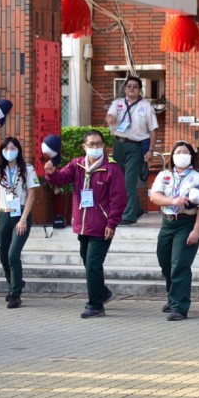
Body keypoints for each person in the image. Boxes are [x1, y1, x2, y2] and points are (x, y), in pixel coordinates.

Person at [45, 130, 127, 318]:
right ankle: (103, 292)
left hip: (102, 226)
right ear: (84, 147)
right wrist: (51, 173)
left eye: (99, 144)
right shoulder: (78, 165)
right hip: (83, 225)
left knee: (93, 263)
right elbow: (61, 179)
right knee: (87, 260)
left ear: (104, 146)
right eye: (91, 144)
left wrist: (112, 223)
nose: (96, 147)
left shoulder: (111, 168)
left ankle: (95, 305)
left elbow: (119, 199)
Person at [0, 119, 40, 309]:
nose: (9, 151)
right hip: (3, 215)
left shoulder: (27, 169)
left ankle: (15, 294)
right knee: (3, 255)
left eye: (13, 148)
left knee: (14, 254)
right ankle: (15, 283)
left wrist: (23, 219)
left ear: (19, 150)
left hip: (20, 215)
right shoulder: (0, 170)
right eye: (6, 149)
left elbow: (31, 196)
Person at [149, 141, 199, 321]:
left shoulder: (198, 178)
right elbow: (155, 197)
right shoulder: (164, 175)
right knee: (165, 262)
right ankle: (172, 297)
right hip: (168, 222)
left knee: (180, 265)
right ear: (172, 156)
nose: (181, 155)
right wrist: (173, 201)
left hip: (187, 223)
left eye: (185, 152)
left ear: (191, 156)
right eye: (178, 152)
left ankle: (180, 307)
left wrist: (196, 231)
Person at [104, 75, 158, 225]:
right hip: (118, 144)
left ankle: (129, 215)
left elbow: (153, 130)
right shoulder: (118, 103)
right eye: (129, 86)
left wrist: (151, 150)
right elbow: (110, 115)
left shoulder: (146, 106)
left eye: (135, 86)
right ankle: (136, 209)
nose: (132, 88)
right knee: (118, 180)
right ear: (125, 88)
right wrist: (110, 120)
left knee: (129, 181)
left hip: (135, 146)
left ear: (140, 90)